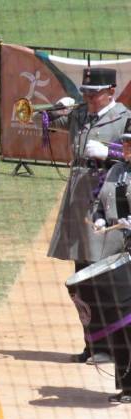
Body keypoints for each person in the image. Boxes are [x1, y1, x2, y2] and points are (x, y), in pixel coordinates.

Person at [44, 67, 130, 365]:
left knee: (104, 276)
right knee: (81, 276)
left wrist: (111, 152)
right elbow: (40, 117)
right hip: (79, 198)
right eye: (85, 93)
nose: (89, 98)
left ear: (111, 92)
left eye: (94, 94)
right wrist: (57, 109)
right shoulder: (81, 114)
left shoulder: (124, 118)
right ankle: (92, 343)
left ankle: (110, 346)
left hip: (107, 199)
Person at [89, 118, 131, 403]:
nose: (126, 146)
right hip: (119, 255)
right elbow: (96, 201)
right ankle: (126, 385)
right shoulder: (116, 170)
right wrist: (100, 217)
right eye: (125, 141)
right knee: (122, 320)